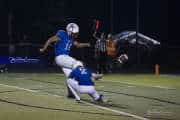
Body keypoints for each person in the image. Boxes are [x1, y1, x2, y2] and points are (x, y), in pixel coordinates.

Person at [40, 23, 90, 98]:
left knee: (70, 76)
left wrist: (87, 44)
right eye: (75, 33)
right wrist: (44, 48)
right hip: (61, 57)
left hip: (65, 59)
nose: (76, 35)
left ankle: (70, 93)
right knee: (77, 63)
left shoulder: (71, 38)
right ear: (69, 32)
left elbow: (78, 44)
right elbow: (51, 39)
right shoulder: (62, 34)